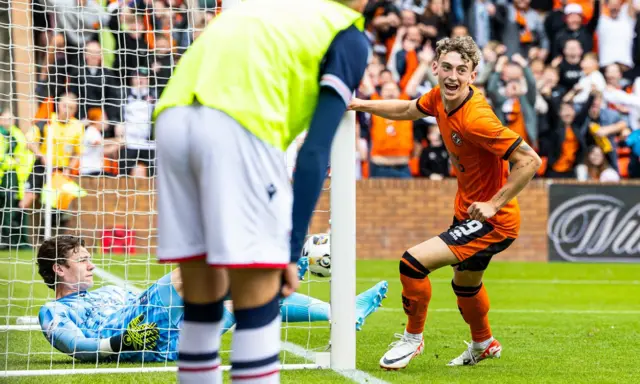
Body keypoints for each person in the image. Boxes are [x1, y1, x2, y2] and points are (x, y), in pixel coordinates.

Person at [151, 0, 370, 382]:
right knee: (259, 301)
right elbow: (316, 151)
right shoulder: (346, 32)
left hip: (171, 120)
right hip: (239, 128)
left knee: (202, 299)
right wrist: (289, 250)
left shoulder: (272, 8)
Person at [348, 35, 542, 369]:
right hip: (469, 213)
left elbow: (530, 160)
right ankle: (484, 342)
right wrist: (361, 104)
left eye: (462, 70)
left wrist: (494, 204)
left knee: (412, 263)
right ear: (435, 67)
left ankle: (412, 338)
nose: (453, 76)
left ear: (473, 74)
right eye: (447, 67)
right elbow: (409, 109)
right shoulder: (439, 97)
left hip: (492, 221)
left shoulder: (476, 118)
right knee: (465, 285)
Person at [36, 235, 388, 363]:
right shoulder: (52, 309)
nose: (92, 264)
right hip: (130, 334)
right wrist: (116, 343)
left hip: (172, 341)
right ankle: (289, 261)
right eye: (82, 260)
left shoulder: (111, 290)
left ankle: (341, 313)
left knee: (242, 303)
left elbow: (150, 301)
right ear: (59, 270)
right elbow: (72, 344)